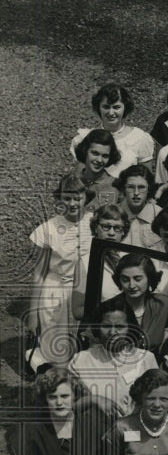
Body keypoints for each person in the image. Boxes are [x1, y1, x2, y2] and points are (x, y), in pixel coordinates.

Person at [27, 174, 93, 367]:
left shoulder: (94, 222)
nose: (72, 203)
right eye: (67, 198)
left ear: (85, 197)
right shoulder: (49, 229)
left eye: (77, 198)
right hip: (55, 289)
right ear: (60, 198)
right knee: (54, 342)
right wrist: (33, 312)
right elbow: (39, 273)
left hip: (83, 290)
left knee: (81, 340)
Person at [68, 297, 158, 418]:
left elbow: (157, 401)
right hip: (92, 429)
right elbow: (66, 406)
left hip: (134, 430)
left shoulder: (146, 359)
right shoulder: (80, 360)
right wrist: (93, 399)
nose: (112, 332)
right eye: (106, 326)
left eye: (120, 327)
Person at [70, 83, 155, 178]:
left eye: (116, 107)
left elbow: (147, 179)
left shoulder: (139, 138)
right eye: (106, 107)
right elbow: (79, 179)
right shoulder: (84, 138)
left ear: (125, 107)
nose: (111, 112)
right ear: (99, 108)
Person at [111, 253, 168, 357]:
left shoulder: (165, 304)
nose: (131, 285)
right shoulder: (109, 308)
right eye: (125, 280)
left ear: (149, 278)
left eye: (137, 279)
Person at [115, 164, 163, 251]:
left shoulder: (160, 215)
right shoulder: (113, 214)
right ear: (123, 188)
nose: (136, 193)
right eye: (131, 187)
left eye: (141, 187)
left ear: (149, 189)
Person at [73, 128, 121, 206]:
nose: (99, 160)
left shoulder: (115, 186)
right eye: (95, 153)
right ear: (85, 151)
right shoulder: (72, 182)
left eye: (105, 156)